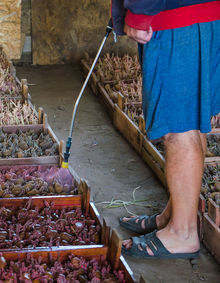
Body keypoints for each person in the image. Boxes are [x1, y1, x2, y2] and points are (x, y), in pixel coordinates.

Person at [111, 0, 220, 259]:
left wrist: (139, 12)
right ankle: (175, 217)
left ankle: (182, 233)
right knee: (192, 121)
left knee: (178, 128)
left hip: (178, 19)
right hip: (202, 15)